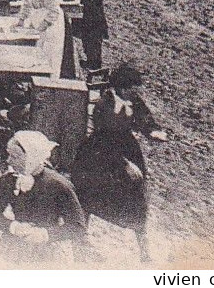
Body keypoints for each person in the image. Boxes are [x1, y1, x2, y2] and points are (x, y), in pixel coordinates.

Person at [71, 63, 166, 260]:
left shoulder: (133, 100)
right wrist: (124, 164)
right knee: (89, 196)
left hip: (126, 149)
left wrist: (152, 130)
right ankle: (80, 244)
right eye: (132, 88)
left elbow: (144, 118)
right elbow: (104, 138)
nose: (135, 92)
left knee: (137, 199)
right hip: (101, 154)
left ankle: (144, 252)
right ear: (122, 87)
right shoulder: (104, 104)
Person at [0, 130, 90, 263]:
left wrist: (45, 234)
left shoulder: (59, 185)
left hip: (47, 251)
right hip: (14, 245)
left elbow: (77, 226)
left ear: (32, 157)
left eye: (15, 156)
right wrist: (13, 226)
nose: (8, 161)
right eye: (9, 155)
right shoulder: (8, 180)